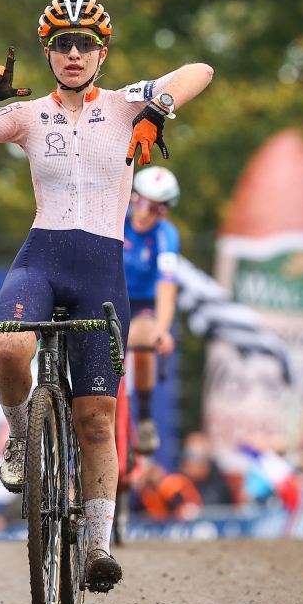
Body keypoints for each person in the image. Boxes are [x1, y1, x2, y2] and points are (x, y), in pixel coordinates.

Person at [0, 0, 213, 591]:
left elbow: (199, 72)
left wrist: (157, 109)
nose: (75, 52)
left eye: (86, 43)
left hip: (100, 271)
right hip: (43, 257)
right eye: (63, 43)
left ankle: (97, 548)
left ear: (102, 53)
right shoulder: (28, 115)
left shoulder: (126, 102)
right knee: (7, 349)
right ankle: (21, 433)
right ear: (49, 53)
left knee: (96, 420)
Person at [122, 166, 181, 455]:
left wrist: (162, 329)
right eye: (141, 202)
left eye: (156, 208)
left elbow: (166, 286)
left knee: (145, 339)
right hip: (109, 297)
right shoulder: (116, 220)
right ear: (132, 198)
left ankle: (144, 417)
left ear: (165, 213)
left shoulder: (166, 235)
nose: (145, 213)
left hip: (143, 305)